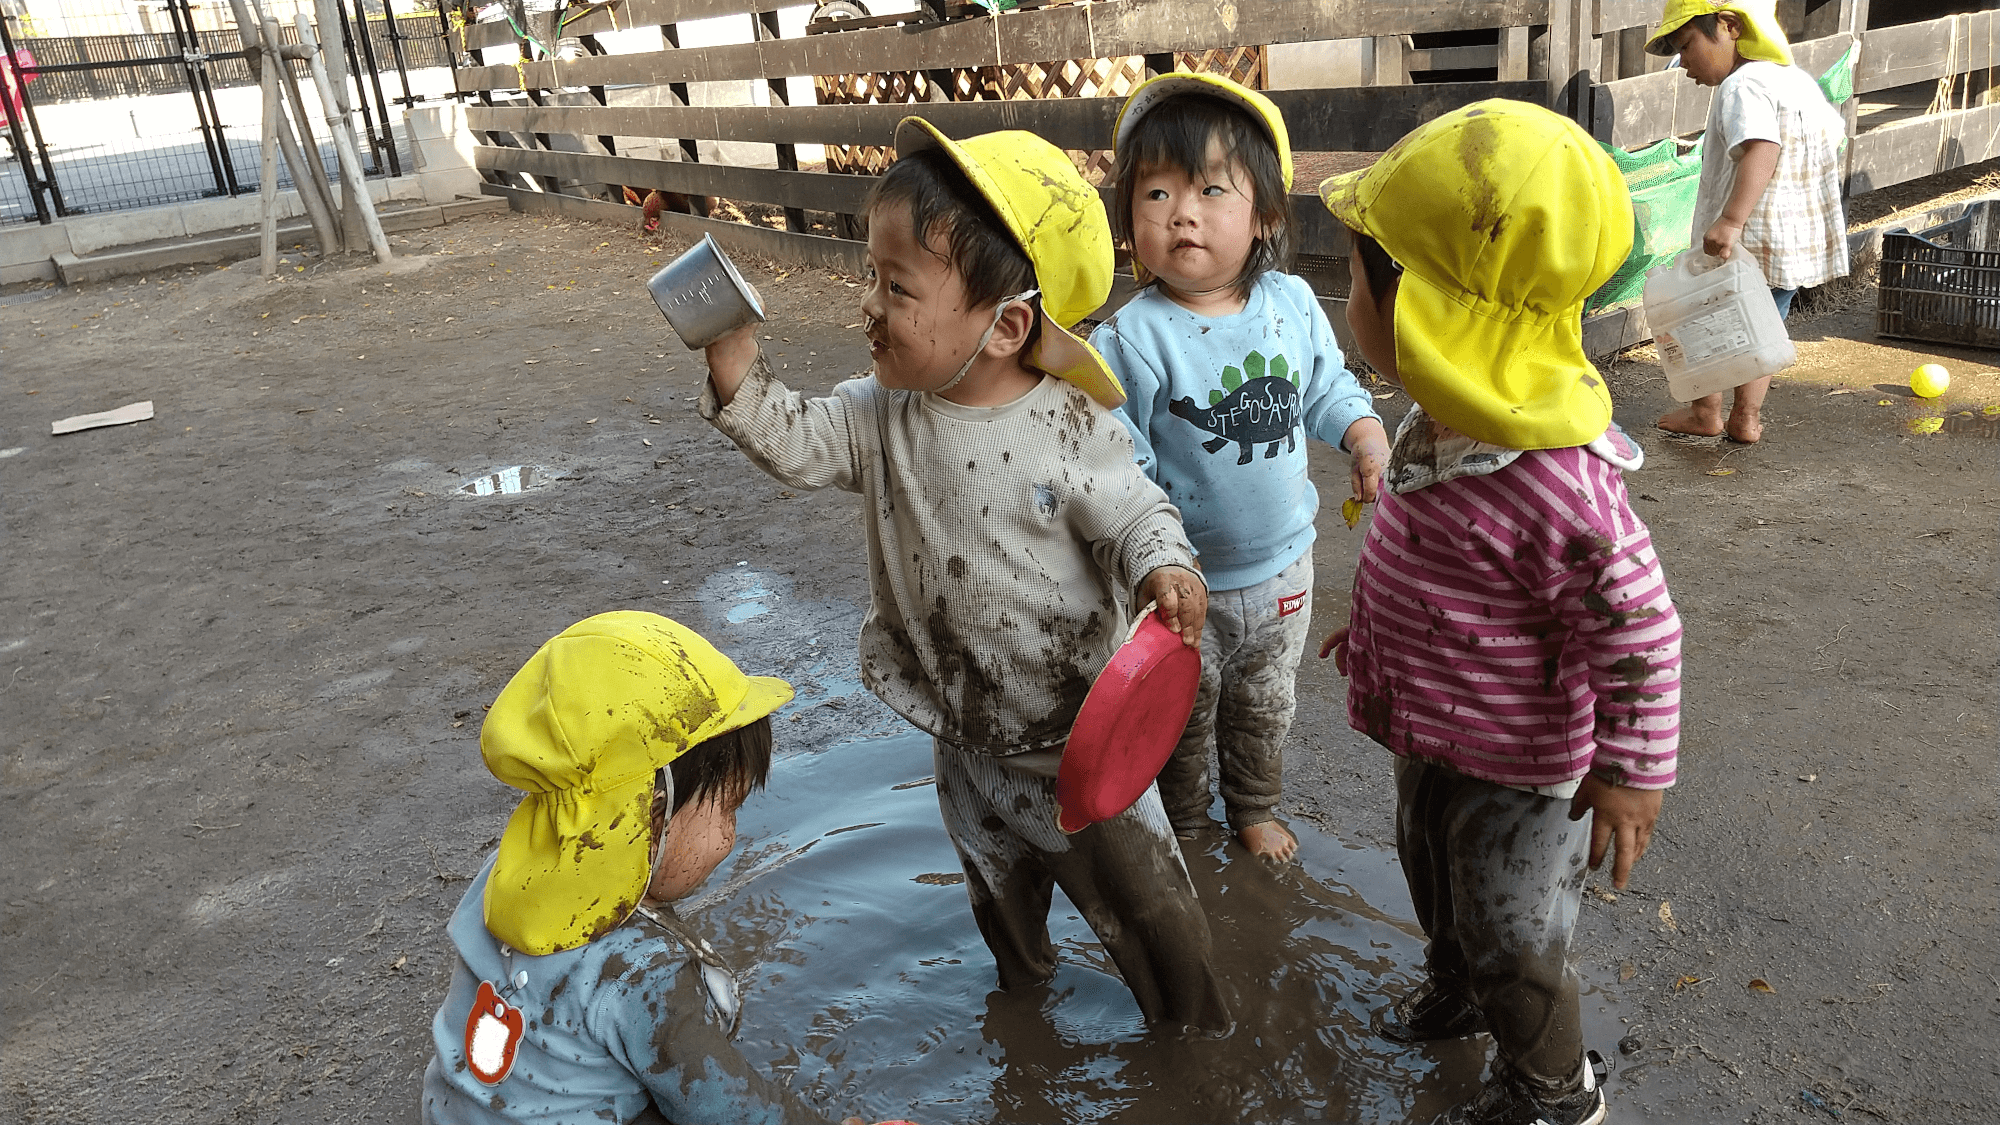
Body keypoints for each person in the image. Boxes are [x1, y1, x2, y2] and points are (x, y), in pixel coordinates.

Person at [695, 119, 1232, 1033]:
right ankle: (1028, 1013)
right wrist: (736, 367)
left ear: (1006, 326)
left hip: (1080, 752)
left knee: (1161, 936)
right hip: (967, 743)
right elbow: (797, 442)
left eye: (896, 286)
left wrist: (1165, 568)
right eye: (871, 274)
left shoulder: (1069, 426)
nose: (868, 304)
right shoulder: (880, 413)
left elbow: (1136, 510)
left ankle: (1200, 1050)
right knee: (1004, 920)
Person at [1316, 101, 1684, 1125]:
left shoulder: (1556, 483)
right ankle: (1453, 986)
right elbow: (1430, 552)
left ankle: (1550, 1086)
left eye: (1355, 275)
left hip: (1522, 768)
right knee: (1430, 869)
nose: (1344, 298)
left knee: (1515, 936)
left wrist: (1628, 772)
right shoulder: (1440, 419)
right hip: (1430, 728)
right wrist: (1376, 632)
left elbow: (1640, 632)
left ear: (1426, 310)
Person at [422, 611, 887, 1125]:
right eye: (729, 807)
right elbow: (728, 1108)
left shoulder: (507, 875)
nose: (732, 835)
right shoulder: (644, 972)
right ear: (651, 812)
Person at [1091, 73, 1389, 863]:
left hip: (1285, 570)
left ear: (1262, 217)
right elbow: (1119, 466)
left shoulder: (1290, 304)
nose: (1180, 212)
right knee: (1182, 714)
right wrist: (1153, 563)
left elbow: (1324, 387)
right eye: (1154, 193)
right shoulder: (1129, 340)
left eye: (1210, 189)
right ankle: (1187, 822)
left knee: (1265, 704)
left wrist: (1362, 434)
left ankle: (1253, 806)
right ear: (1128, 219)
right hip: (1181, 587)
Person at [1648, 0, 1849, 443]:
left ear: (1730, 26)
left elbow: (1762, 147)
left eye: (1687, 46)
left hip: (1746, 237)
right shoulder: (1796, 81)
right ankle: (1747, 418)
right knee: (1764, 328)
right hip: (1790, 238)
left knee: (1709, 319)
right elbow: (1834, 138)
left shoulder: (1742, 85)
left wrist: (1731, 219)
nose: (1683, 64)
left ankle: (1706, 413)